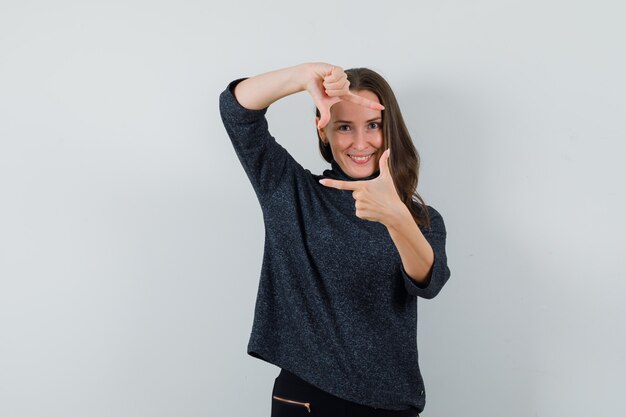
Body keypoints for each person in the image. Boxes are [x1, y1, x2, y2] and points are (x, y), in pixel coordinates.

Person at [219, 62, 451, 417]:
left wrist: (396, 217)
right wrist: (301, 77)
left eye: (373, 125)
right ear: (323, 131)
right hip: (309, 398)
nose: (361, 142)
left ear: (389, 132)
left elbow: (427, 281)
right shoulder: (291, 191)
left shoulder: (419, 217)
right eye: (344, 127)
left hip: (392, 403)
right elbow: (236, 111)